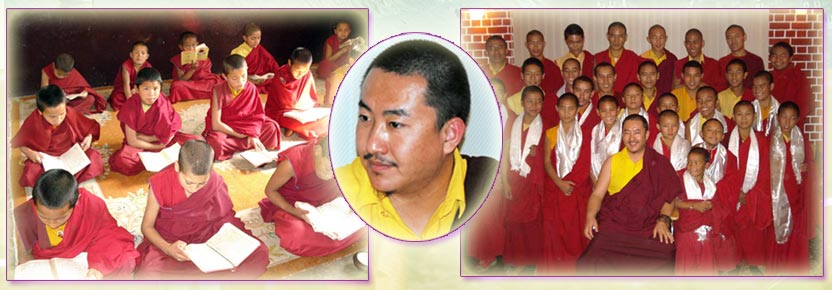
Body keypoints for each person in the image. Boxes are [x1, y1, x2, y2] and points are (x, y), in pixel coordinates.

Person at [336, 40, 498, 241]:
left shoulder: (494, 190)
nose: (372, 145)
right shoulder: (337, 192)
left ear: (450, 135)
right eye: (365, 118)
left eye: (394, 124)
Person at [136, 140, 270, 279]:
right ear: (177, 167)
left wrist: (226, 242)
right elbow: (147, 227)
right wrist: (168, 249)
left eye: (202, 183)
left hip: (209, 233)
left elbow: (224, 217)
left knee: (259, 253)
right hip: (173, 240)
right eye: (189, 182)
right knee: (150, 271)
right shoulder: (160, 184)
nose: (194, 188)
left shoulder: (215, 180)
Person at [578, 115, 681, 274]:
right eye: (627, 133)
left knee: (667, 252)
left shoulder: (659, 162)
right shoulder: (613, 161)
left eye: (637, 132)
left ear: (647, 135)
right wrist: (590, 216)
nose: (632, 138)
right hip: (615, 226)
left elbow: (668, 197)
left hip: (648, 227)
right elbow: (597, 195)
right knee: (591, 260)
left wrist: (663, 220)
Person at [14, 169, 139, 279]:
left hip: (87, 258)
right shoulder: (26, 214)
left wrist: (98, 267)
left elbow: (109, 235)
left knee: (125, 260)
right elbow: (25, 257)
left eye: (60, 218)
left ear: (77, 201)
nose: (52, 224)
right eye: (44, 217)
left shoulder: (91, 205)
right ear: (34, 202)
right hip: (52, 267)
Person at [259, 138, 365, 256]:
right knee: (295, 235)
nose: (331, 176)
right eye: (329, 169)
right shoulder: (292, 163)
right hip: (292, 205)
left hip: (328, 198)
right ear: (318, 151)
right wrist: (294, 212)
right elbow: (270, 191)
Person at [110, 68, 201, 176]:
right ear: (136, 89)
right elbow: (132, 140)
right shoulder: (130, 106)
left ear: (161, 89)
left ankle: (163, 160)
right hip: (141, 145)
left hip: (164, 141)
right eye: (146, 89)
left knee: (198, 143)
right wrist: (156, 147)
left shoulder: (162, 103)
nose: (151, 94)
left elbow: (170, 131)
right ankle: (169, 161)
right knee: (122, 161)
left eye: (155, 88)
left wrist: (151, 138)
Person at [12, 85, 103, 188]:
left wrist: (88, 138)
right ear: (40, 112)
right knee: (31, 172)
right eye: (52, 117)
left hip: (70, 153)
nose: (58, 119)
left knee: (94, 157)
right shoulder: (34, 121)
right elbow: (20, 142)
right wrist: (30, 153)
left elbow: (89, 126)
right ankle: (66, 179)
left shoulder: (69, 112)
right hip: (47, 158)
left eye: (62, 114)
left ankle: (59, 181)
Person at [541, 93, 591, 273]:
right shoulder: (551, 133)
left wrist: (570, 184)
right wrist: (560, 183)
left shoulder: (585, 134)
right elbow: (546, 162)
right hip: (556, 189)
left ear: (577, 110)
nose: (567, 112)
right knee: (554, 233)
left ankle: (574, 270)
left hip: (576, 191)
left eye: (571, 108)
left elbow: (585, 164)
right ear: (557, 109)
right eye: (563, 108)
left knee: (574, 234)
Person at [465, 78, 510, 271]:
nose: (494, 93)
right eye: (491, 89)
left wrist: (501, 175)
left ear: (505, 95)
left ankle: (492, 256)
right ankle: (476, 254)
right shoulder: (476, 112)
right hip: (473, 167)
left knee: (492, 215)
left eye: (499, 91)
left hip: (493, 168)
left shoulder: (507, 115)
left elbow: (505, 146)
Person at [203, 54, 281, 161]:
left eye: (244, 76)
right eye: (234, 78)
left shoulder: (251, 88)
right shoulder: (218, 90)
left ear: (247, 71)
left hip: (246, 124)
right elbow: (216, 124)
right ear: (225, 77)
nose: (240, 82)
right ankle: (247, 143)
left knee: (272, 128)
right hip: (226, 127)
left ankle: (247, 141)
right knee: (216, 143)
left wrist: (253, 134)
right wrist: (239, 135)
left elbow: (257, 116)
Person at [502, 86, 545, 272]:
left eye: (538, 101)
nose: (534, 105)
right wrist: (504, 182)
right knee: (514, 224)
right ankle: (517, 261)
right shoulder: (512, 124)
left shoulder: (546, 126)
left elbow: (551, 157)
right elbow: (504, 154)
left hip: (532, 184)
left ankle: (531, 261)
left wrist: (540, 152)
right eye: (530, 101)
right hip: (514, 180)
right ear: (522, 103)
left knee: (532, 225)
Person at [767, 101, 812, 275]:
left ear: (798, 120)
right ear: (778, 118)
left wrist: (807, 169)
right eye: (784, 117)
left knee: (795, 233)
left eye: (792, 118)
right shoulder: (770, 139)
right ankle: (777, 268)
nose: (787, 122)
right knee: (777, 230)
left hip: (796, 193)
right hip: (776, 194)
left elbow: (810, 165)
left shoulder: (802, 140)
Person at [673, 148, 733, 275]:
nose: (691, 166)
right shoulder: (679, 178)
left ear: (707, 165)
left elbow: (717, 204)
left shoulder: (710, 182)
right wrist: (694, 206)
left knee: (706, 264)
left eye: (696, 163)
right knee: (687, 266)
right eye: (689, 162)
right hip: (687, 229)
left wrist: (712, 206)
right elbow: (674, 202)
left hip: (706, 228)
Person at [727, 100, 771, 275]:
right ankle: (735, 261)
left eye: (748, 114)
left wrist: (750, 193)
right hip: (733, 193)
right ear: (733, 117)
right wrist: (735, 192)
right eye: (739, 114)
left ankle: (754, 261)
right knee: (734, 228)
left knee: (753, 231)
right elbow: (725, 169)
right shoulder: (727, 139)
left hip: (755, 192)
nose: (744, 118)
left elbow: (766, 170)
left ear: (754, 117)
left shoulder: (762, 140)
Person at [265, 47, 327, 139]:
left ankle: (293, 128)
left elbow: (312, 98)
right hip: (281, 112)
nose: (301, 74)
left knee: (327, 118)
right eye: (298, 70)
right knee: (298, 124)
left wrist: (306, 107)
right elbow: (284, 103)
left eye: (305, 70)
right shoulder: (281, 75)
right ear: (290, 63)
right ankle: (292, 127)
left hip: (303, 112)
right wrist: (298, 107)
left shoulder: (307, 74)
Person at [40, 53, 106, 114]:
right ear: (54, 66)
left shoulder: (73, 72)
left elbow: (83, 88)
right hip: (57, 100)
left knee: (91, 99)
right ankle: (66, 113)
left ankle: (66, 113)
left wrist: (83, 94)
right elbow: (44, 92)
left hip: (71, 100)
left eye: (65, 75)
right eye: (59, 74)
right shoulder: (46, 71)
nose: (62, 77)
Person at [168, 31, 223, 103]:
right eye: (187, 46)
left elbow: (207, 75)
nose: (191, 48)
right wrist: (192, 69)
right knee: (177, 86)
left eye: (194, 45)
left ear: (197, 45)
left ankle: (197, 94)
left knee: (216, 83)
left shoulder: (202, 57)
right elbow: (181, 79)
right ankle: (206, 93)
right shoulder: (178, 59)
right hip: (189, 84)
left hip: (202, 83)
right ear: (181, 47)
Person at [770, 41, 813, 128]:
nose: (778, 59)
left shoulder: (798, 77)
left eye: (783, 55)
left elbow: (806, 105)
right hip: (771, 126)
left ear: (790, 58)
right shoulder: (768, 77)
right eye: (774, 55)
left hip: (792, 126)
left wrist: (790, 122)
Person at [594, 22, 644, 95]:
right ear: (607, 36)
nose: (616, 40)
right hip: (604, 102)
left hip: (627, 102)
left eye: (620, 36)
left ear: (625, 37)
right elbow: (595, 85)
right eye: (613, 36)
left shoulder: (633, 58)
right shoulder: (598, 57)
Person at [506, 57, 558, 128]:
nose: (532, 78)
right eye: (528, 74)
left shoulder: (552, 100)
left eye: (537, 74)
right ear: (522, 75)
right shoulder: (511, 102)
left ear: (543, 76)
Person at [230, 22, 280, 94]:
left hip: (259, 77)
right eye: (253, 38)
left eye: (258, 38)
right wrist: (249, 79)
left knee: (276, 81)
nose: (256, 41)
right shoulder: (238, 52)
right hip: (245, 78)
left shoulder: (259, 48)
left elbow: (270, 61)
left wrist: (278, 73)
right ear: (245, 38)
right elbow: (235, 72)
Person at [318, 20, 358, 106]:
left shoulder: (349, 42)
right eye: (340, 30)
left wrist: (350, 51)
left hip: (342, 66)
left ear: (349, 31)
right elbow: (328, 59)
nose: (343, 33)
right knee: (325, 65)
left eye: (346, 30)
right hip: (331, 64)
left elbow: (348, 59)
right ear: (335, 31)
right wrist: (342, 51)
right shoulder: (330, 41)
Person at [109, 41, 152, 111]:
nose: (139, 55)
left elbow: (147, 84)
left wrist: (137, 91)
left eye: (143, 53)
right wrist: (130, 102)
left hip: (139, 89)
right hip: (124, 90)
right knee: (117, 98)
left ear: (147, 56)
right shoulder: (126, 66)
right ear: (131, 55)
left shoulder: (148, 67)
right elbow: (126, 85)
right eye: (136, 53)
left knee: (153, 96)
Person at [719, 25, 765, 89]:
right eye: (729, 38)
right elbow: (721, 87)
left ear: (744, 37)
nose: (733, 41)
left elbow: (761, 86)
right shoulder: (722, 62)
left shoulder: (756, 61)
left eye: (736, 36)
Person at [589, 95, 620, 183]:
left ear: (618, 110)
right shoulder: (594, 131)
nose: (608, 114)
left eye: (612, 110)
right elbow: (590, 160)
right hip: (596, 178)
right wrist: (596, 183)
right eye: (603, 111)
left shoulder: (624, 130)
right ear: (598, 112)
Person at [525, 30, 564, 99]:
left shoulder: (553, 68)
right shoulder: (525, 68)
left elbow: (559, 92)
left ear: (544, 44)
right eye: (532, 43)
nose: (536, 47)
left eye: (539, 43)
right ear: (526, 45)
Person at [640, 25, 677, 96]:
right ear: (648, 39)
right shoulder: (642, 59)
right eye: (654, 38)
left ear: (666, 38)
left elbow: (674, 83)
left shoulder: (672, 59)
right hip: (647, 98)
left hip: (666, 98)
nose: (658, 41)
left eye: (661, 37)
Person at [750, 71, 779, 137]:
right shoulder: (749, 109)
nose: (757, 90)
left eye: (761, 86)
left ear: (771, 86)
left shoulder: (780, 110)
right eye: (754, 86)